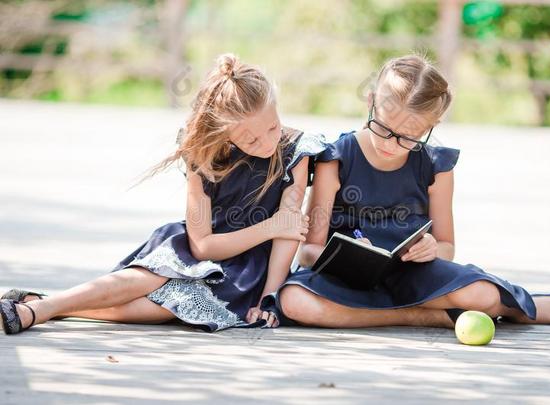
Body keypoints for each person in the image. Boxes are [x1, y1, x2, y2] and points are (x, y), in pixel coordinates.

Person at [1, 53, 327, 335]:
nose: (267, 142)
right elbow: (202, 246)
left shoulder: (296, 150)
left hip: (247, 271)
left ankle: (42, 304)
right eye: (251, 140)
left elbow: (289, 233)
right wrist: (270, 227)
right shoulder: (204, 154)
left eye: (272, 128)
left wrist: (268, 297)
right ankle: (43, 309)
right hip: (195, 248)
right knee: (151, 278)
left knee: (166, 308)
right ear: (224, 133)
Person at [267, 54, 550, 329]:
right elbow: (308, 252)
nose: (390, 145)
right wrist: (345, 254)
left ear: (432, 126)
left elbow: (446, 246)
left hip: (415, 274)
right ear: (370, 103)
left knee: (481, 295)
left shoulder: (437, 167)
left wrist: (432, 250)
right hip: (345, 279)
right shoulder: (336, 158)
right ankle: (427, 316)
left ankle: (522, 304)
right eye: (384, 129)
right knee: (294, 302)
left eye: (409, 138)